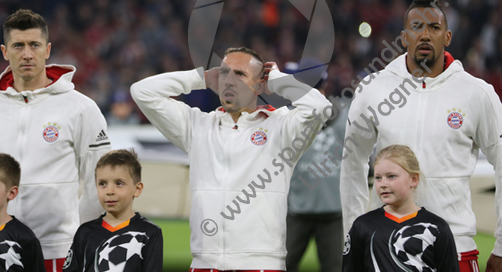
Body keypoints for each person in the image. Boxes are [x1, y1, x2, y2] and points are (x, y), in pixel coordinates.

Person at [340, 0, 502, 272]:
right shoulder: (373, 90)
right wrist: (354, 237)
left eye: (434, 28)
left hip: (457, 246)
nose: (425, 35)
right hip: (386, 249)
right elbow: (351, 166)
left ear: (447, 37)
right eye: (417, 27)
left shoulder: (477, 93)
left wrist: (501, 245)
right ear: (404, 37)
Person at [130, 46, 330, 270]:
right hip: (205, 264)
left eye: (241, 74)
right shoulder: (197, 127)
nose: (229, 80)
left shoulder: (281, 128)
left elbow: (320, 108)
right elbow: (142, 91)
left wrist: (276, 80)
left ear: (260, 85)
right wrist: (201, 78)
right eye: (224, 73)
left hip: (262, 264)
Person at [0, 9, 111, 272]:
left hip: (59, 250)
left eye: (35, 45)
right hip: (0, 248)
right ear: (4, 52)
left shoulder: (80, 108)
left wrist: (81, 240)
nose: (27, 54)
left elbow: (98, 182)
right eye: (18, 45)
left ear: (48, 49)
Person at [342, 145, 459, 271]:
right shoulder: (363, 225)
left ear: (413, 179)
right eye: (378, 178)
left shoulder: (437, 227)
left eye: (391, 176)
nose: (383, 184)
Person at [285, 62, 346, 272]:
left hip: (314, 209)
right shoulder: (344, 114)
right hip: (310, 209)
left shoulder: (290, 116)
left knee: (282, 265)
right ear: (326, 83)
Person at [62, 149, 163, 272]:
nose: (109, 191)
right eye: (103, 184)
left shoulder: (149, 233)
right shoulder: (85, 232)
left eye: (119, 183)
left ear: (137, 189)